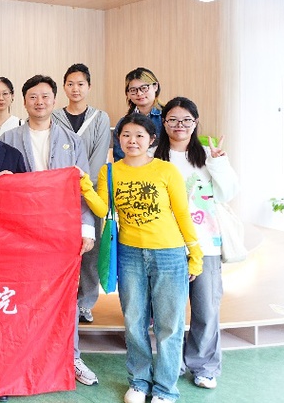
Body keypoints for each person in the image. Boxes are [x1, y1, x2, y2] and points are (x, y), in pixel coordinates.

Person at [79, 113, 203, 403]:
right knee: (134, 322)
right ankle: (139, 382)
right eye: (125, 135)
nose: (132, 141)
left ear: (151, 139)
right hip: (129, 254)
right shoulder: (110, 172)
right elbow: (103, 209)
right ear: (118, 139)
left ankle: (165, 389)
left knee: (169, 325)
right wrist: (84, 184)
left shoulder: (166, 170)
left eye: (139, 135)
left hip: (169, 254)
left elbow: (182, 214)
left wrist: (195, 253)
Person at [0, 75, 98, 387]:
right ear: (24, 102)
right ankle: (24, 358)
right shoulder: (9, 139)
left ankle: (72, 357)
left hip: (61, 228)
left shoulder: (73, 140)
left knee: (65, 296)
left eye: (45, 96)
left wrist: (86, 229)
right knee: (24, 295)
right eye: (33, 97)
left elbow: (83, 188)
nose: (39, 102)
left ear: (54, 101)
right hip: (22, 230)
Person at [154, 97, 239, 390]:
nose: (180, 125)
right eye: (173, 120)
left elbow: (228, 193)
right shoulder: (153, 156)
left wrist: (219, 162)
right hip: (166, 245)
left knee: (206, 309)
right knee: (169, 311)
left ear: (195, 122)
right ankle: (172, 363)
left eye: (186, 120)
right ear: (164, 122)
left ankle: (204, 367)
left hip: (206, 244)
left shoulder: (208, 155)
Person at [51, 64, 111, 324]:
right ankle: (60, 299)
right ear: (64, 87)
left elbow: (98, 157)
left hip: (90, 191)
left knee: (90, 248)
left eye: (80, 84)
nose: (75, 89)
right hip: (58, 192)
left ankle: (85, 302)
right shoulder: (54, 117)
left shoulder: (100, 118)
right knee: (60, 248)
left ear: (89, 86)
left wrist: (84, 184)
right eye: (70, 84)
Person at [113, 67, 164, 160]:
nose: (139, 93)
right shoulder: (123, 123)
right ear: (128, 94)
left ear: (155, 86)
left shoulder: (167, 117)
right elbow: (120, 158)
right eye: (133, 90)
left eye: (144, 88)